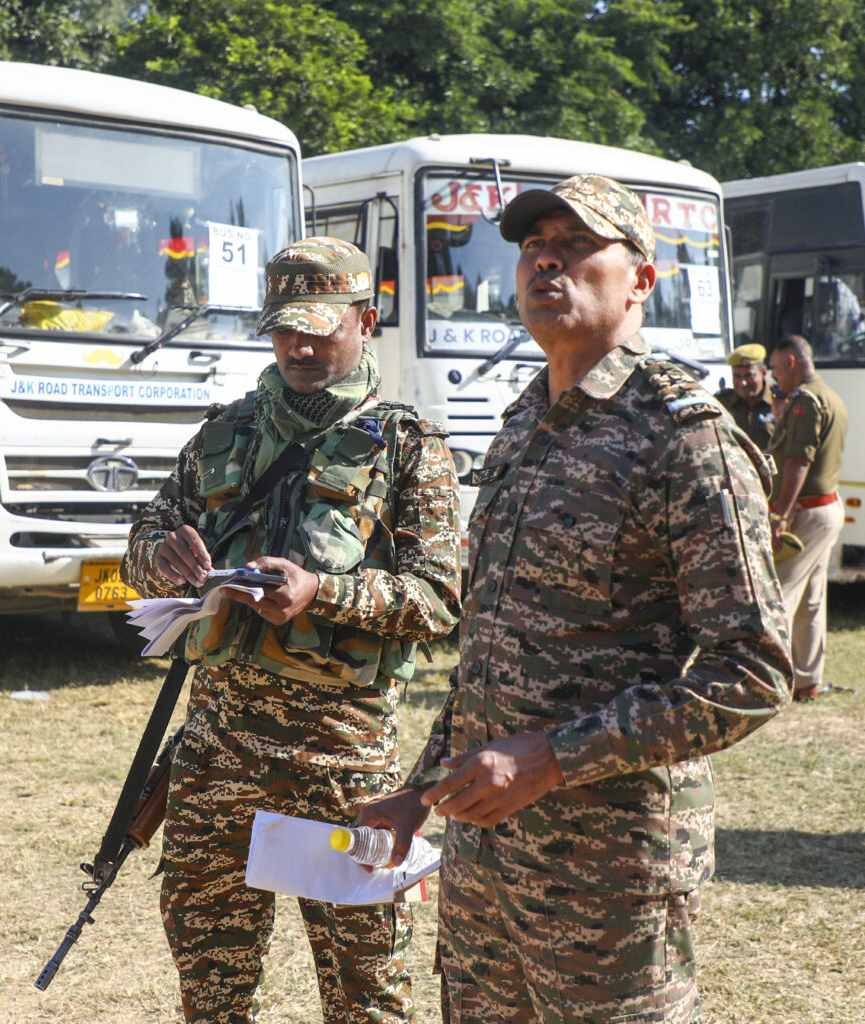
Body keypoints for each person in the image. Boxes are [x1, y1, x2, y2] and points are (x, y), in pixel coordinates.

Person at [358, 175, 793, 1023]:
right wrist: (422, 792)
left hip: (609, 874)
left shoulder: (683, 437)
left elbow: (754, 672)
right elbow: (494, 650)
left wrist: (553, 756)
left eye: (578, 243)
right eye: (531, 246)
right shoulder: (525, 421)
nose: (546, 258)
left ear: (641, 279)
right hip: (486, 860)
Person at [121, 236, 462, 1024]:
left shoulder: (410, 448)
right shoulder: (222, 434)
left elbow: (441, 598)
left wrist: (324, 594)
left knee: (365, 997)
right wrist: (160, 557)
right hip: (215, 760)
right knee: (210, 993)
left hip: (342, 767)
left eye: (319, 327)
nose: (300, 346)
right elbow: (141, 543)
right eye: (283, 329)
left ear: (366, 319)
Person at [767, 334, 848, 702]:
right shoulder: (828, 395)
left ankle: (764, 682)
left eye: (774, 367)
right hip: (827, 509)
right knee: (812, 602)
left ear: (791, 362)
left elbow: (798, 461)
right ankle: (806, 682)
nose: (773, 376)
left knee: (777, 596)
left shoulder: (805, 401)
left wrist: (780, 514)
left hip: (808, 514)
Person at [715, 342, 774, 449]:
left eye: (749, 376)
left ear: (764, 372)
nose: (743, 383)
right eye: (737, 376)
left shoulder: (779, 401)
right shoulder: (721, 403)